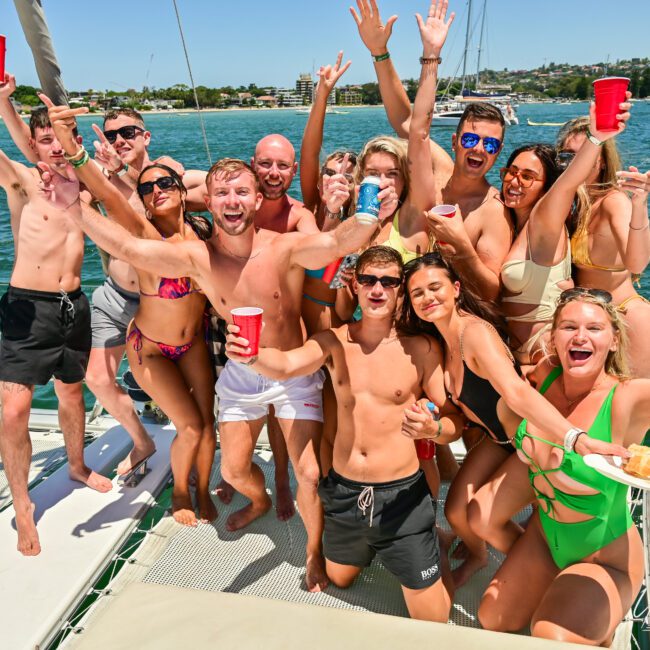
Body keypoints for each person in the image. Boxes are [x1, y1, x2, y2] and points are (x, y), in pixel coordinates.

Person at [43, 96, 399, 592]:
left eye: (241, 192)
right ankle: (256, 499)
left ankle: (314, 553)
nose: (232, 201)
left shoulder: (286, 246)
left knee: (309, 475)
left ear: (257, 201)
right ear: (208, 202)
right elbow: (127, 245)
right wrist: (73, 206)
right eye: (222, 193)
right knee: (232, 471)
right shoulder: (196, 256)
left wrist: (368, 215)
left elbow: (339, 243)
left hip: (294, 373)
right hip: (241, 374)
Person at [225, 245, 462, 622]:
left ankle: (429, 546)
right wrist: (250, 356)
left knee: (432, 620)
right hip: (346, 495)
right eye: (368, 280)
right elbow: (286, 365)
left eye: (389, 281)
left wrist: (435, 428)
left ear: (401, 289)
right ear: (354, 284)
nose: (377, 289)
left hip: (402, 499)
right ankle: (376, 549)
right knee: (339, 579)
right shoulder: (334, 341)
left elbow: (453, 421)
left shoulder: (422, 348)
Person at [398, 252, 626, 587]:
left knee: (479, 518)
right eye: (418, 293)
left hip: (526, 441)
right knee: (455, 513)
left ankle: (544, 574)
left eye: (435, 287)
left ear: (456, 288)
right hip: (498, 440)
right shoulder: (441, 343)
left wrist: (575, 438)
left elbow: (517, 393)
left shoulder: (475, 334)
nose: (428, 297)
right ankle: (479, 557)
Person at [478, 289, 645, 645]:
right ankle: (568, 593)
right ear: (554, 338)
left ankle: (602, 617)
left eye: (595, 329)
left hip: (605, 557)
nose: (580, 336)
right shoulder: (546, 375)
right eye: (569, 327)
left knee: (552, 635)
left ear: (614, 340)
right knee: (492, 619)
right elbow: (512, 397)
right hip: (545, 537)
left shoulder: (627, 398)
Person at [0, 106, 112, 557]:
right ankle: (23, 503)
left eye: (58, 140)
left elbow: (122, 184)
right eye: (43, 141)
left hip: (74, 306)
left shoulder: (83, 189)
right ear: (32, 144)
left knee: (71, 393)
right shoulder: (25, 183)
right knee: (12, 411)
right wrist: (3, 100)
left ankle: (77, 465)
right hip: (27, 309)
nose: (53, 149)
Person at [351, 0, 512, 301]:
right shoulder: (439, 170)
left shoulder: (493, 211)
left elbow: (492, 292)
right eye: (469, 140)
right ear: (454, 142)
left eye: (489, 144)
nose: (478, 149)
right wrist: (379, 52)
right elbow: (409, 123)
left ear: (498, 151)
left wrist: (462, 246)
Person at [556, 109, 650, 378]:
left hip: (626, 318)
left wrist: (640, 205)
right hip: (589, 322)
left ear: (601, 160)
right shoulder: (577, 204)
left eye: (585, 155)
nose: (576, 164)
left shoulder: (613, 201)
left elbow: (637, 262)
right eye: (566, 157)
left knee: (634, 411)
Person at [498, 144, 569, 364]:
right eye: (512, 171)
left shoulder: (543, 221)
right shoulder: (506, 222)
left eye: (528, 177)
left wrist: (596, 139)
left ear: (546, 188)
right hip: (512, 349)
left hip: (544, 348)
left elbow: (569, 183)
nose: (515, 181)